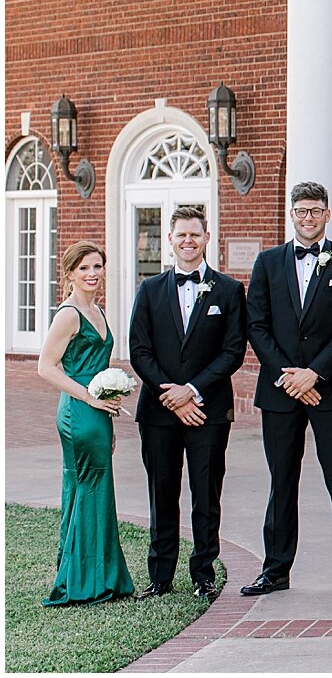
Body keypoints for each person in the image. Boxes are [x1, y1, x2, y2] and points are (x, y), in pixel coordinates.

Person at [241, 181, 332, 597]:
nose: (308, 218)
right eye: (301, 211)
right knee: (282, 481)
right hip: (280, 391)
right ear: (291, 214)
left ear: (328, 214)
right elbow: (256, 325)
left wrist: (314, 374)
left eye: (316, 211)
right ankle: (275, 569)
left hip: (330, 389)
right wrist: (289, 376)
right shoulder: (267, 262)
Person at [129, 204, 247, 601]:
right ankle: (160, 577)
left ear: (207, 238)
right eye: (180, 234)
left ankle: (203, 574)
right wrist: (172, 396)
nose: (188, 241)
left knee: (206, 495)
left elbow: (233, 351)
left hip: (209, 411)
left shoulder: (229, 291)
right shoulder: (148, 290)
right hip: (159, 413)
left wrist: (192, 391)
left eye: (195, 234)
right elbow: (139, 351)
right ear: (169, 240)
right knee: (161, 494)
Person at [38, 241, 135, 605]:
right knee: (88, 487)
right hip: (78, 412)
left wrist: (108, 396)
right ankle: (86, 582)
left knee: (92, 487)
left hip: (97, 412)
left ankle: (95, 574)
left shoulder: (97, 309)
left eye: (97, 266)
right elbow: (46, 367)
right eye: (84, 269)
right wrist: (91, 398)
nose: (93, 274)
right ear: (69, 273)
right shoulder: (69, 314)